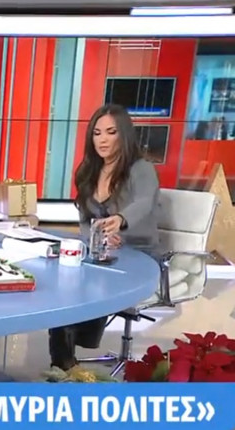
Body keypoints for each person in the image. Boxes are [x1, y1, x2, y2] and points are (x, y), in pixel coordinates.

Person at [48, 104, 161, 371]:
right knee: (63, 286)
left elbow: (145, 202)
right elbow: (85, 221)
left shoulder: (141, 168)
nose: (103, 139)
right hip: (101, 253)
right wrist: (96, 239)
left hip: (139, 253)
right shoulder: (88, 170)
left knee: (90, 285)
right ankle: (63, 364)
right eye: (97, 133)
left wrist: (120, 221)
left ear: (124, 134)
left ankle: (67, 360)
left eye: (111, 132)